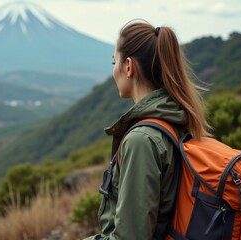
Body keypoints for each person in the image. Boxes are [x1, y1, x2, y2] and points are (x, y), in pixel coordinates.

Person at [84, 20, 212, 239]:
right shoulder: (177, 119)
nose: (114, 69)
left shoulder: (141, 140)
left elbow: (130, 236)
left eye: (114, 61)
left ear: (128, 67)